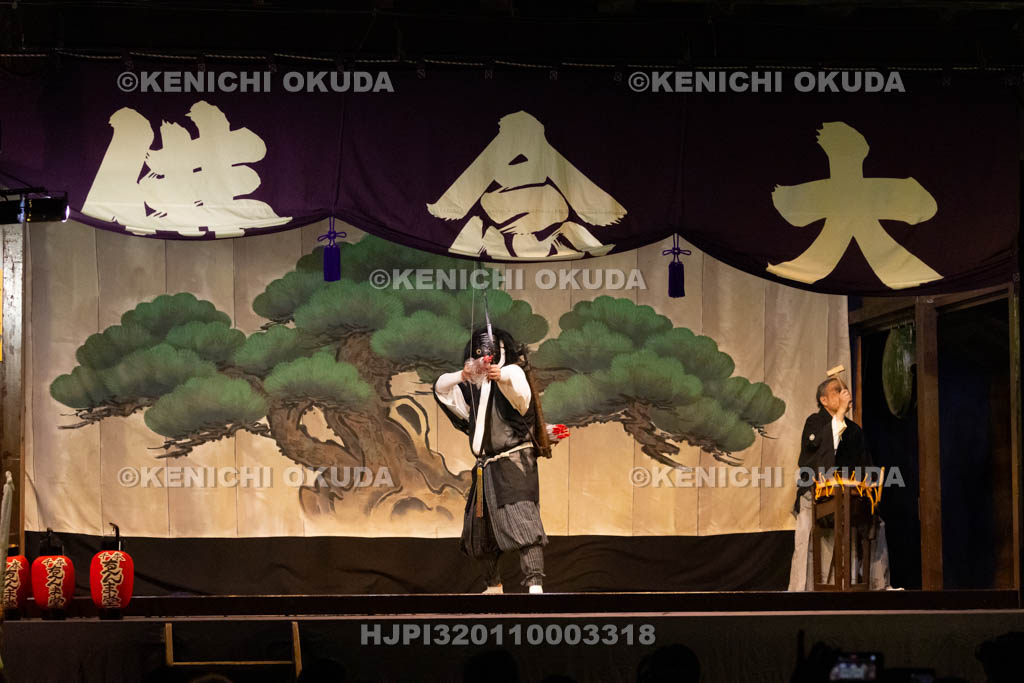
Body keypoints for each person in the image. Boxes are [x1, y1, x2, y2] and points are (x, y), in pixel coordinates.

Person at [434, 326, 552, 594]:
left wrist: (502, 374)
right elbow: (441, 388)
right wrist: (463, 374)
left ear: (500, 352)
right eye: (479, 352)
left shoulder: (512, 375)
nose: (484, 357)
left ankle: (535, 588)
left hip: (513, 465)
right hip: (485, 468)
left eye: (490, 352)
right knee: (479, 532)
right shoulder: (472, 389)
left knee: (524, 524)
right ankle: (493, 586)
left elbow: (520, 394)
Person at [788, 376, 891, 591]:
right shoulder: (814, 422)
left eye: (845, 390)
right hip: (816, 494)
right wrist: (841, 413)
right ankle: (801, 594)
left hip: (847, 495)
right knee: (808, 540)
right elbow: (819, 451)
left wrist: (868, 487)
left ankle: (876, 587)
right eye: (838, 390)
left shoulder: (853, 430)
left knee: (874, 521)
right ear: (824, 400)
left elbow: (864, 465)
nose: (845, 393)